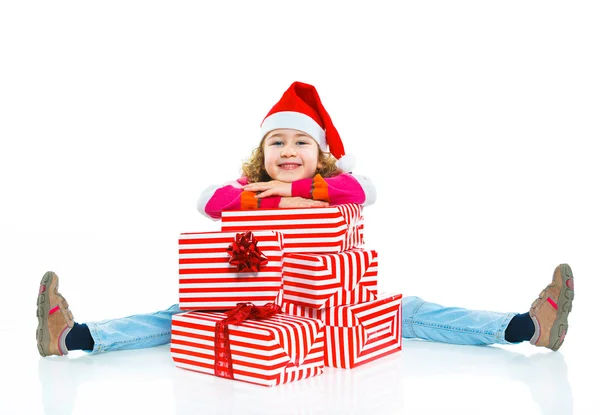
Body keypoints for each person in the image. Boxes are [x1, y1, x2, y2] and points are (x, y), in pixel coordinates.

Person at [36, 81, 574, 357]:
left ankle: (524, 328)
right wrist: (267, 199)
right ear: (261, 152)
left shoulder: (335, 188)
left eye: (300, 142)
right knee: (181, 314)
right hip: (256, 304)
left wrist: (297, 194)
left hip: (330, 302)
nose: (288, 149)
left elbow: (365, 189)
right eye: (277, 142)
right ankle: (76, 338)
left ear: (320, 157)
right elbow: (208, 200)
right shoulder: (244, 189)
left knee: (407, 311)